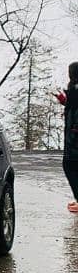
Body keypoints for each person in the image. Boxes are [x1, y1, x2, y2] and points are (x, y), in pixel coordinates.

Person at [54, 61, 78, 212]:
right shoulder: (74, 88)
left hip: (75, 137)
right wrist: (64, 101)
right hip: (72, 136)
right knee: (71, 166)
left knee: (70, 166)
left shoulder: (76, 88)